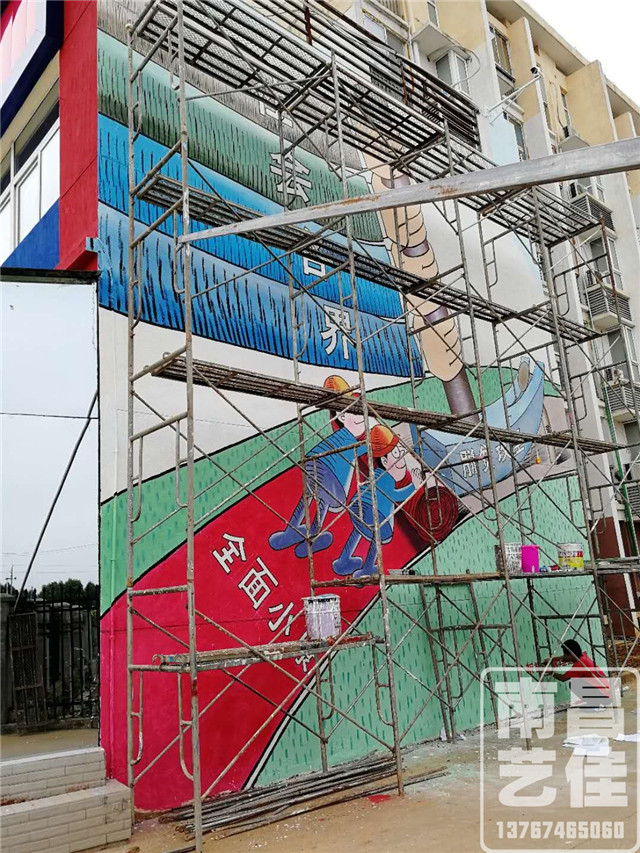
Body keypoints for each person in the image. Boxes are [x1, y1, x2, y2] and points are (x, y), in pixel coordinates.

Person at [269, 375, 367, 558]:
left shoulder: (339, 437)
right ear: (342, 416)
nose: (362, 418)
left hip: (312, 463)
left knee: (309, 495)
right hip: (332, 476)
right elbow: (361, 448)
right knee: (323, 501)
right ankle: (314, 534)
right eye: (357, 413)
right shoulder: (349, 439)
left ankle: (291, 530)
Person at [332, 424, 415, 579]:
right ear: (384, 461)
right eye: (396, 453)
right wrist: (412, 488)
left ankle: (343, 560)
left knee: (358, 530)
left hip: (357, 505)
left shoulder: (376, 474)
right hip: (374, 511)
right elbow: (393, 495)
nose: (401, 458)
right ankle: (367, 569)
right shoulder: (386, 478)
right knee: (376, 537)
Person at [539, 639, 611, 705]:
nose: (563, 656)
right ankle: (594, 701)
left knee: (574, 684)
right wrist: (553, 659)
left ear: (570, 655)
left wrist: (549, 671)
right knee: (578, 681)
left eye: (565, 654)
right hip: (607, 693)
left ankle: (595, 704)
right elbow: (566, 658)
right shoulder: (582, 655)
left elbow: (563, 678)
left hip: (604, 696)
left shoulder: (579, 665)